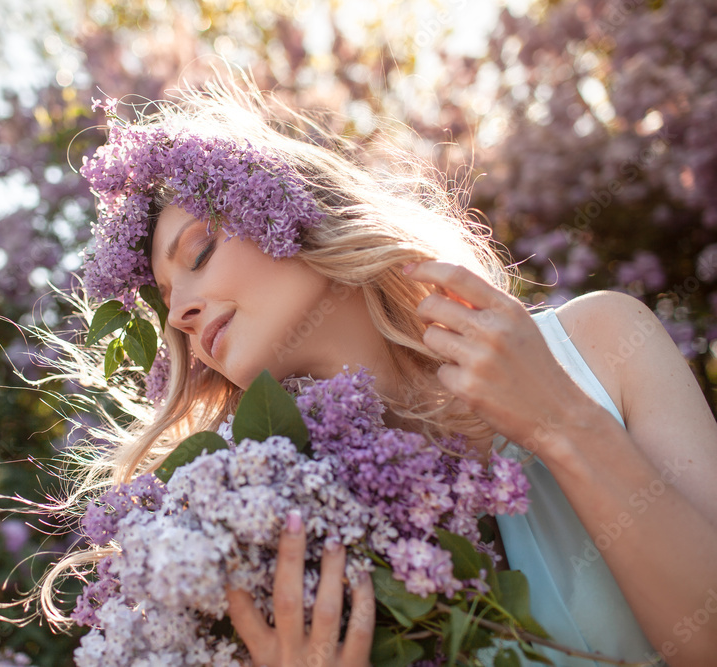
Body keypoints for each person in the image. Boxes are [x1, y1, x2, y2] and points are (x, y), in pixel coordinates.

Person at [36, 77, 717, 667]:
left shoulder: (600, 343)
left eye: (201, 249)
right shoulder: (272, 532)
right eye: (166, 305)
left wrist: (562, 423)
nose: (180, 310)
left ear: (288, 207)